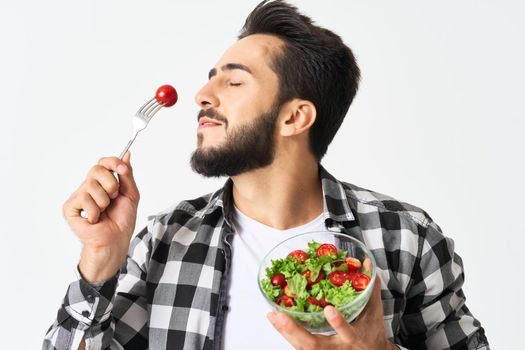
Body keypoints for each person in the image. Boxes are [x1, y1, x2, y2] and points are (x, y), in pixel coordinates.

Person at [43, 1, 489, 349]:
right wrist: (99, 261)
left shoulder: (404, 237)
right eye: (210, 78)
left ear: (295, 117)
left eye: (234, 82)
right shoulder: (166, 238)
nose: (202, 94)